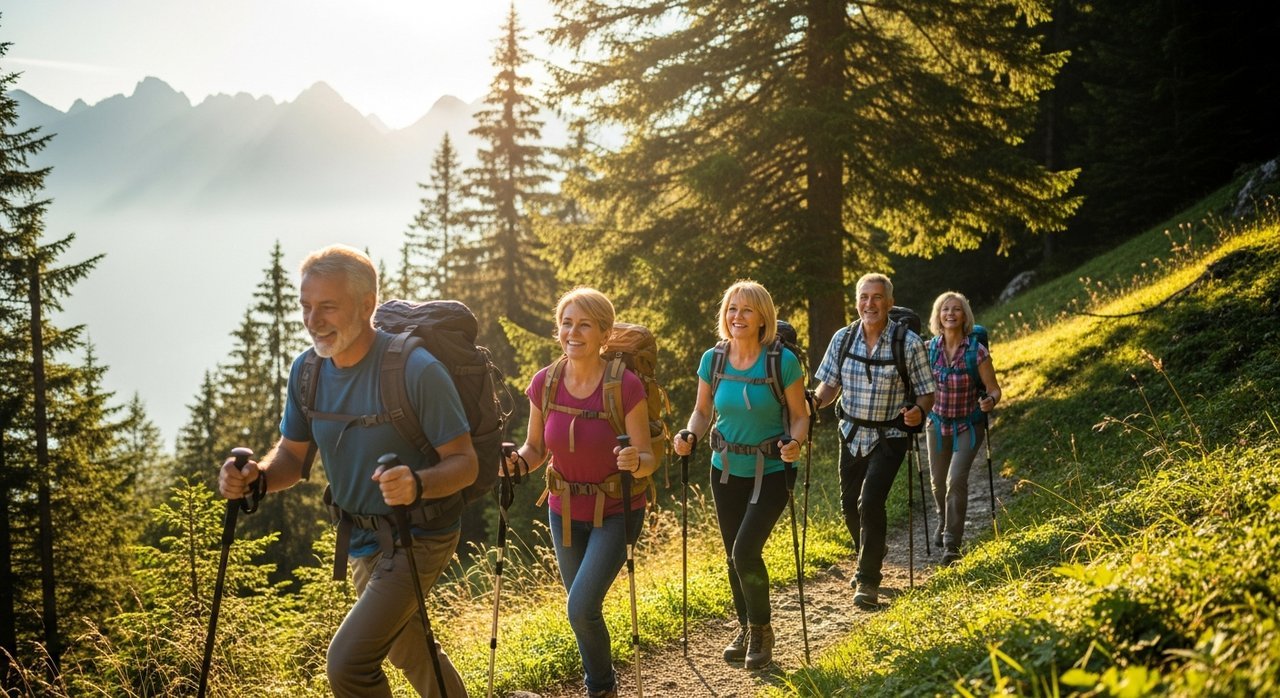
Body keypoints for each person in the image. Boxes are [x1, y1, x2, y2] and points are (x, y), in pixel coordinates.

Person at [218, 244, 477, 698]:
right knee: (409, 649)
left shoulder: (416, 370)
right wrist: (255, 476)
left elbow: (465, 464)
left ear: (366, 305)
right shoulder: (307, 372)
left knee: (349, 664)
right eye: (306, 306)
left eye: (327, 307)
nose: (312, 319)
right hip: (361, 540)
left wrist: (417, 484)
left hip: (421, 533)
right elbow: (292, 462)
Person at [503, 287, 655, 698]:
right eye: (567, 323)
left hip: (618, 509)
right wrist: (516, 462)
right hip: (563, 509)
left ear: (604, 333)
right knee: (583, 611)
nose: (573, 332)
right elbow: (535, 449)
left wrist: (634, 461)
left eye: (584, 324)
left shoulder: (625, 386)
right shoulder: (545, 382)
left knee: (580, 607)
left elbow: (648, 456)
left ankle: (600, 689)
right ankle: (604, 686)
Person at [673, 280, 809, 669]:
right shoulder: (712, 360)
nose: (738, 317)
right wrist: (690, 435)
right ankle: (747, 626)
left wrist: (794, 443)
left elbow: (801, 416)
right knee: (735, 556)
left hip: (774, 468)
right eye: (732, 309)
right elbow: (702, 412)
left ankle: (762, 632)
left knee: (744, 550)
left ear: (763, 316)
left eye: (747, 310)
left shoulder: (781, 361)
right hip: (726, 468)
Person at [813, 273, 935, 610]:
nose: (870, 303)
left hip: (891, 434)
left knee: (870, 501)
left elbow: (927, 392)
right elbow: (828, 387)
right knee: (849, 504)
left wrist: (918, 412)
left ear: (889, 303)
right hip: (851, 432)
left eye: (877, 297)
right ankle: (872, 547)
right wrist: (810, 403)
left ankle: (867, 580)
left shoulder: (908, 343)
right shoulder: (843, 338)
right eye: (864, 297)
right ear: (857, 301)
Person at [924, 291, 1003, 566]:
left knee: (955, 480)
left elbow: (994, 388)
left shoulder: (976, 351)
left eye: (956, 309)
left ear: (964, 316)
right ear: (938, 316)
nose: (950, 314)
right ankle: (943, 519)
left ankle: (951, 544)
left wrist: (990, 401)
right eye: (945, 309)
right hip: (936, 423)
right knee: (937, 483)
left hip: (968, 424)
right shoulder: (928, 349)